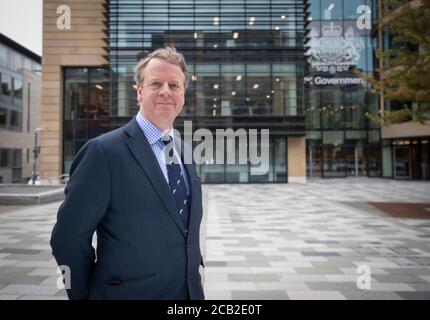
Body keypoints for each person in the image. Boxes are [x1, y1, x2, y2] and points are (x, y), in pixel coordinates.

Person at [50, 47, 205, 300]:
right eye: (156, 83)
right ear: (139, 92)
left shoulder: (184, 151)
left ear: (183, 95)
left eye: (174, 85)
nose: (166, 91)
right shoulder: (103, 153)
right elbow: (67, 240)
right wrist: (88, 295)